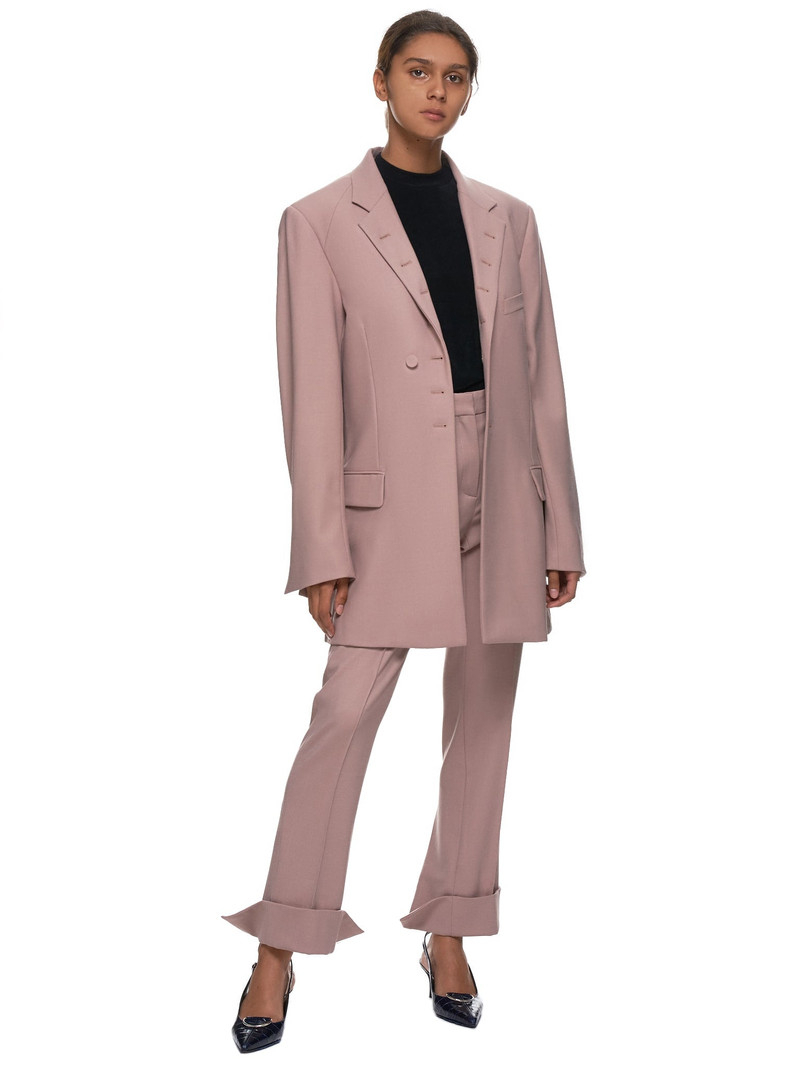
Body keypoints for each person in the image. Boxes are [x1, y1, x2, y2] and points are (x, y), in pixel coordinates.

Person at [222, 9, 585, 1052]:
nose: (437, 91)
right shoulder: (317, 221)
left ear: (470, 93)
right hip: (386, 503)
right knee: (343, 713)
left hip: (503, 490)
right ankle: (279, 944)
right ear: (379, 81)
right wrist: (321, 547)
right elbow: (310, 396)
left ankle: (451, 928)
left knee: (484, 718)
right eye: (418, 71)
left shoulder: (511, 218)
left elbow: (542, 380)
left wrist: (560, 521)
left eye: (456, 76)